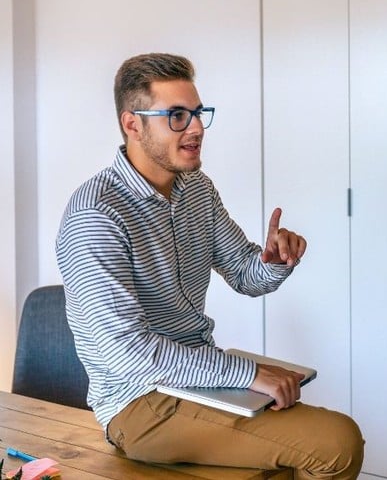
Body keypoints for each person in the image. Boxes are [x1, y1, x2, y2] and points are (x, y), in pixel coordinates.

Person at [56, 53, 364, 479]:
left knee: (314, 443)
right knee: (337, 443)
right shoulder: (95, 216)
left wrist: (273, 261)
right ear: (133, 124)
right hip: (138, 403)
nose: (197, 128)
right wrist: (247, 373)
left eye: (199, 114)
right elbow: (126, 353)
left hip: (197, 380)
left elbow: (244, 272)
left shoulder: (196, 188)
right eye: (177, 116)